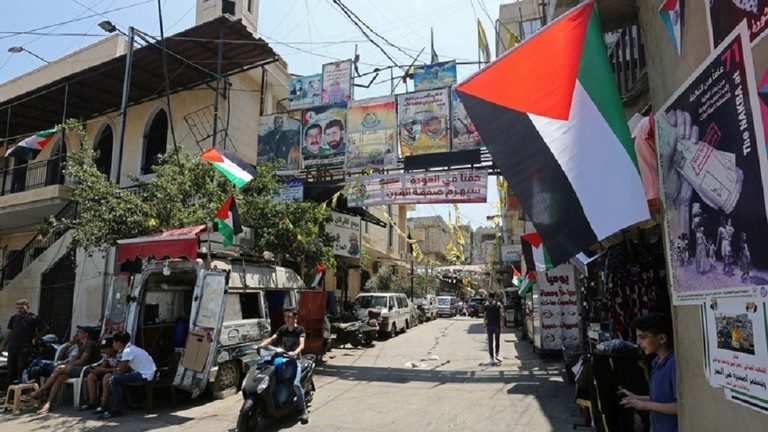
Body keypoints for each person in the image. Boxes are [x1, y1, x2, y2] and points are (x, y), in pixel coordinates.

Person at [619, 313, 677, 432]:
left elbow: (679, 407)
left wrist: (644, 405)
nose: (638, 342)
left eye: (643, 337)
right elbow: (661, 400)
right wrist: (636, 398)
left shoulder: (673, 364)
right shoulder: (657, 362)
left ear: (661, 338)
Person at [26, 325, 99, 414]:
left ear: (86, 334)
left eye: (80, 332)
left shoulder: (90, 344)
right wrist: (67, 361)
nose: (78, 333)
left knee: (59, 368)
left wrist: (66, 365)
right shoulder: (81, 344)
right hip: (78, 368)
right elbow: (76, 358)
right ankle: (49, 404)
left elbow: (81, 361)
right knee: (60, 376)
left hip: (87, 369)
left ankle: (40, 391)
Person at [258, 308, 309, 424]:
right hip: (282, 359)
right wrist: (261, 346)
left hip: (295, 360)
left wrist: (295, 352)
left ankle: (303, 410)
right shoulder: (282, 329)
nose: (287, 319)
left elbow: (302, 345)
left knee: (296, 385)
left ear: (295, 317)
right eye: (285, 316)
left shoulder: (300, 330)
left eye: (289, 316)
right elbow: (272, 339)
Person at [98, 331, 156, 419]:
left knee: (114, 380)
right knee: (120, 378)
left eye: (114, 342)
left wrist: (107, 374)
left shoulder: (127, 351)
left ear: (119, 343)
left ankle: (117, 410)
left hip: (145, 375)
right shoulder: (132, 348)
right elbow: (122, 370)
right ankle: (133, 403)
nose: (113, 345)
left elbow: (120, 371)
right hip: (148, 373)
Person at [1, 299, 45, 385]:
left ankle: (21, 387)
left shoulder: (34, 317)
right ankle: (9, 388)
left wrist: (36, 338)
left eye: (21, 308)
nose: (19, 310)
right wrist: (3, 345)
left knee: (22, 369)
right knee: (10, 369)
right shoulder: (14, 318)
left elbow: (44, 328)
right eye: (17, 308)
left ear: (28, 307)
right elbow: (10, 332)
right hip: (13, 346)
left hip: (25, 347)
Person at [79, 338, 119, 413]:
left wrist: (102, 369)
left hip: (117, 374)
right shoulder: (107, 355)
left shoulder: (120, 354)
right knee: (91, 376)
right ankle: (92, 403)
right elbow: (103, 366)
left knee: (106, 377)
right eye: (104, 349)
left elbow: (118, 369)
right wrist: (96, 370)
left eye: (106, 349)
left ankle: (103, 405)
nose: (105, 351)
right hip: (108, 372)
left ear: (113, 348)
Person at [483, 292, 504, 364]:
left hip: (489, 325)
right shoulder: (499, 304)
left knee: (490, 342)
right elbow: (501, 315)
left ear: (489, 297)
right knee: (497, 340)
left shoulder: (486, 305)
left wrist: (484, 325)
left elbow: (485, 316)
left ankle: (491, 357)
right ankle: (497, 355)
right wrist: (502, 324)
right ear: (494, 297)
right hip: (497, 325)